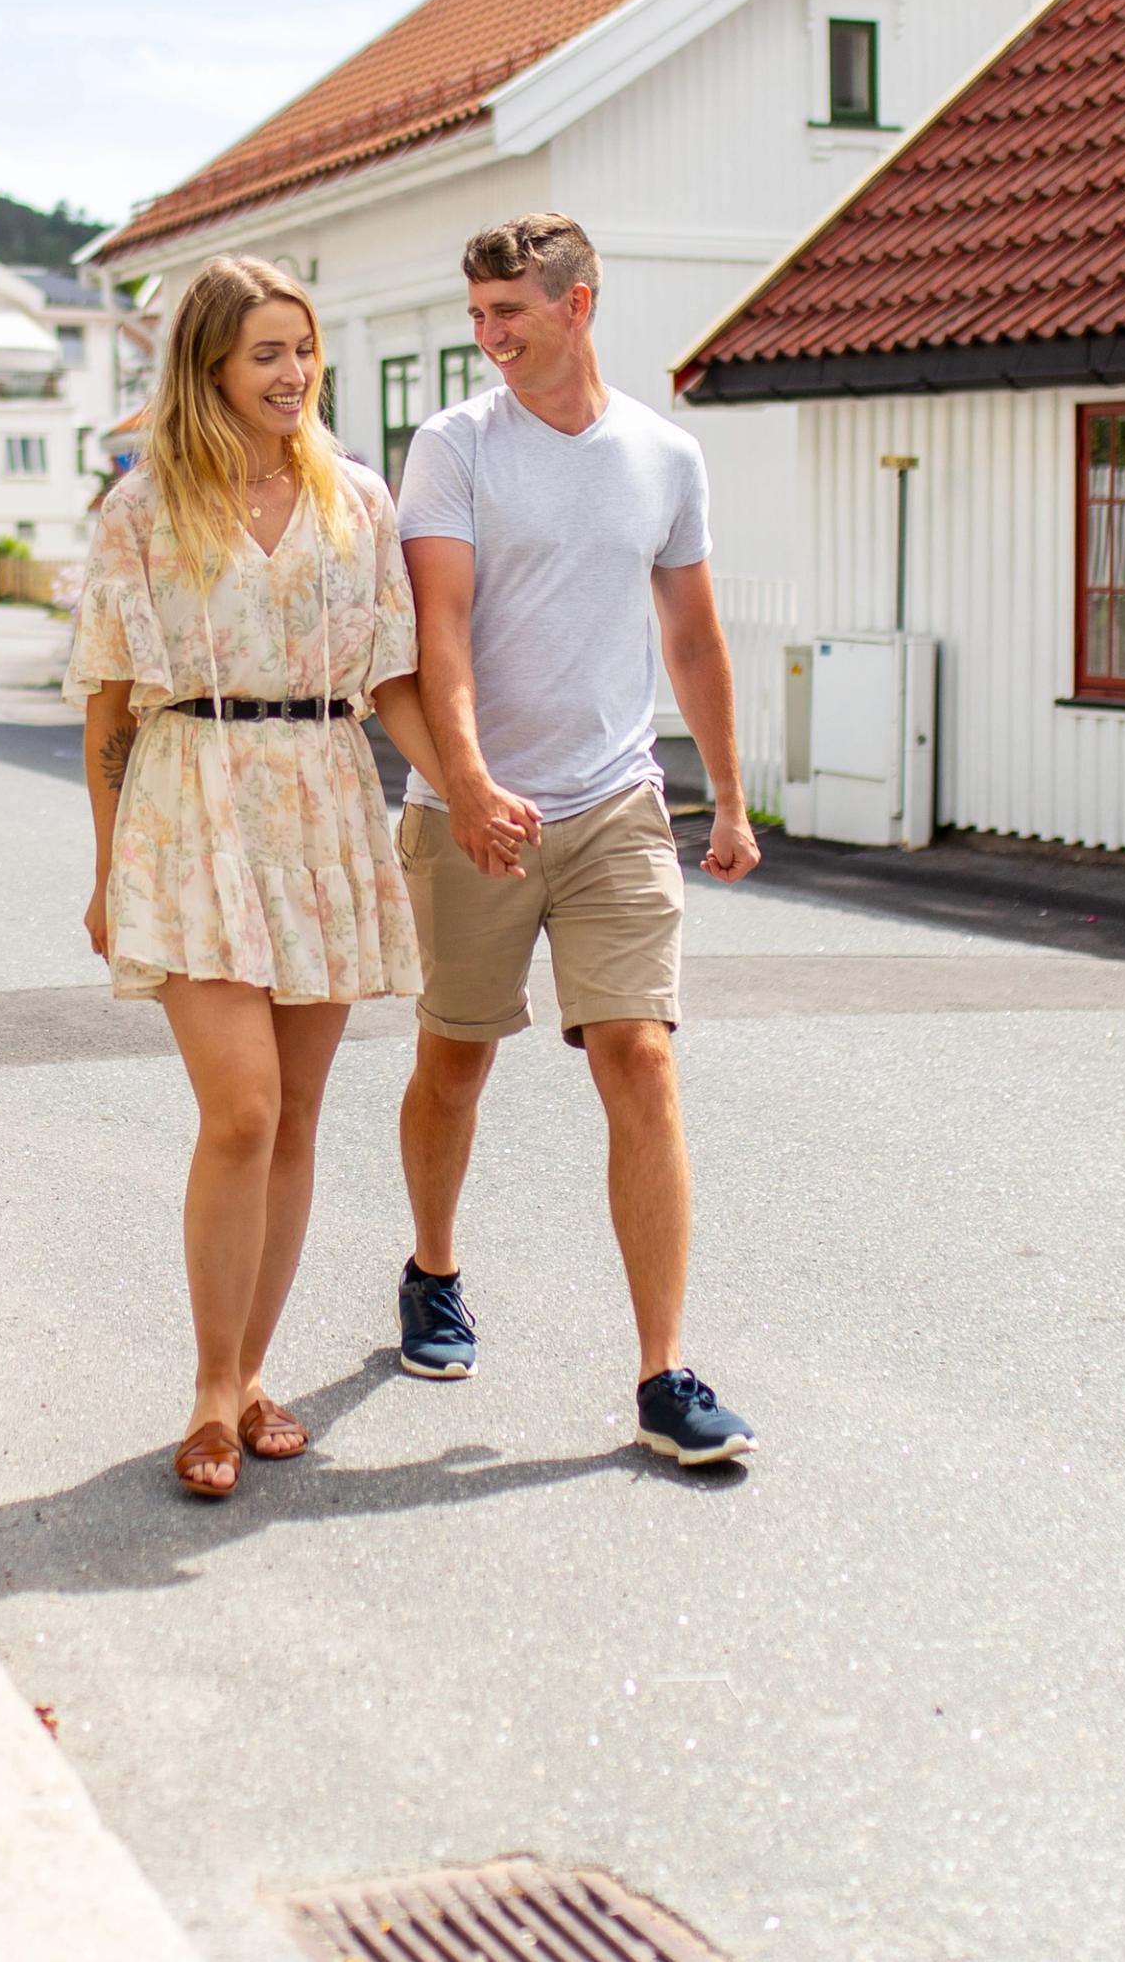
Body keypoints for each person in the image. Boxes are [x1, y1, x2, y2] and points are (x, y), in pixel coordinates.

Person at [68, 256, 486, 1499]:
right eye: (266, 353)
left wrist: (466, 788)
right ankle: (207, 1389)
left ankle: (254, 1375)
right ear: (209, 367)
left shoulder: (358, 501)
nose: (293, 373)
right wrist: (105, 873)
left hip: (319, 798)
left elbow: (396, 678)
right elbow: (103, 699)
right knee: (241, 1107)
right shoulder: (141, 510)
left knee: (297, 1118)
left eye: (304, 351)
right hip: (189, 807)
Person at [388, 210, 762, 1467]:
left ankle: (663, 1374)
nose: (490, 340)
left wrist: (731, 795)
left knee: (641, 1061)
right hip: (470, 810)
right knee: (456, 1062)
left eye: (513, 316)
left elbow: (695, 640)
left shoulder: (663, 456)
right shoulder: (452, 448)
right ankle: (433, 1270)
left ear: (579, 304)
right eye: (479, 318)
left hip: (613, 802)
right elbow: (439, 633)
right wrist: (471, 780)